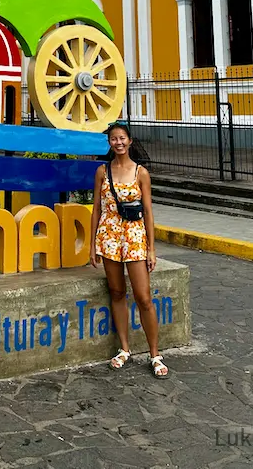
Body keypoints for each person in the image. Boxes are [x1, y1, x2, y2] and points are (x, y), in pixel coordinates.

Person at [90, 119, 169, 380]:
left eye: (123, 138)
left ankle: (155, 353)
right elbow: (96, 209)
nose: (119, 142)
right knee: (116, 292)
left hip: (134, 237)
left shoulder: (140, 173)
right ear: (109, 143)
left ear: (130, 141)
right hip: (109, 236)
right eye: (114, 138)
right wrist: (93, 245)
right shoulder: (103, 171)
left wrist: (151, 248)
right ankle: (124, 349)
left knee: (143, 297)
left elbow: (148, 211)